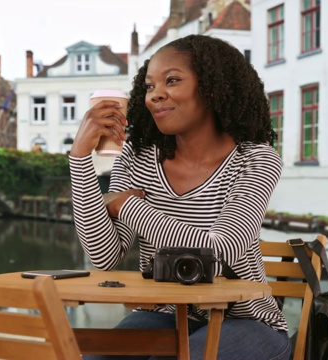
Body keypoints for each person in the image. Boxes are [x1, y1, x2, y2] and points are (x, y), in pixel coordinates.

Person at [69, 34, 289, 360]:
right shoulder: (137, 156)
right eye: (148, 86)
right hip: (167, 314)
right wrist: (80, 159)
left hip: (247, 320)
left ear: (212, 87)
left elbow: (221, 249)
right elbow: (105, 259)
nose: (155, 95)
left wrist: (127, 206)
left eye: (171, 80)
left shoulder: (255, 159)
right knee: (89, 356)